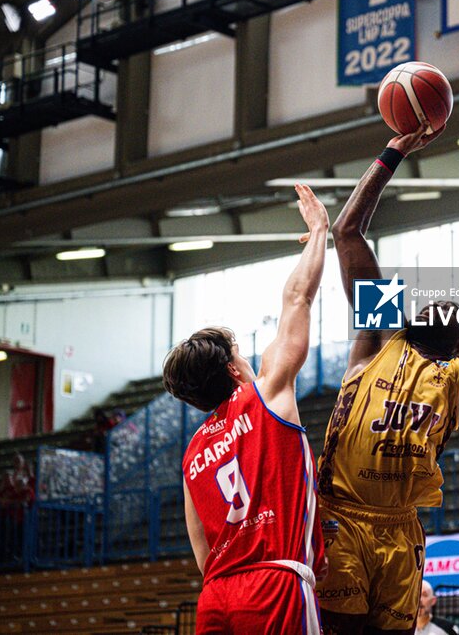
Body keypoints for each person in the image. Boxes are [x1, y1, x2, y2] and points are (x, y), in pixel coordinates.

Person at [316, 126, 459, 633]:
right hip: (340, 516)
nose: (443, 304)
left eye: (458, 311)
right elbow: (348, 233)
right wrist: (393, 153)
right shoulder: (378, 334)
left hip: (400, 531)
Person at [165, 184, 329, 634]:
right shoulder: (266, 393)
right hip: (272, 585)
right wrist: (319, 231)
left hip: (216, 597)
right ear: (235, 370)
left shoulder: (191, 452)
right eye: (241, 355)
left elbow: (203, 556)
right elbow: (298, 299)